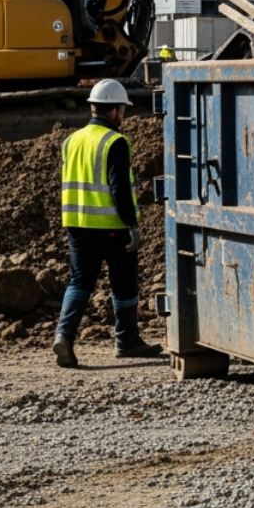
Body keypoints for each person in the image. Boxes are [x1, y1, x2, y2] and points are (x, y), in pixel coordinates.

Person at [52, 79, 163, 367]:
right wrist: (132, 225)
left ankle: (64, 337)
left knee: (80, 281)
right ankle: (126, 341)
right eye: (122, 110)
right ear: (113, 111)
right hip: (110, 225)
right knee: (124, 282)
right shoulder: (115, 141)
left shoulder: (71, 140)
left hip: (76, 223)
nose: (123, 116)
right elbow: (119, 189)